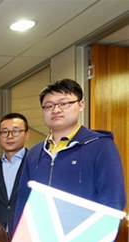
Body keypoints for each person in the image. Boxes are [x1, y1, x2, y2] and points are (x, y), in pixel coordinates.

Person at [15, 78, 126, 224]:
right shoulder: (35, 153)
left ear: (81, 105)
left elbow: (112, 200)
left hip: (83, 235)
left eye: (64, 103)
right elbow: (23, 202)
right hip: (40, 235)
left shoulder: (101, 146)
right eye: (49, 106)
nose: (56, 110)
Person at [0, 113, 30, 233]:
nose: (10, 136)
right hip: (0, 234)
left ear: (27, 135)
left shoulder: (35, 165)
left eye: (16, 131)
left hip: (28, 232)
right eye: (5, 132)